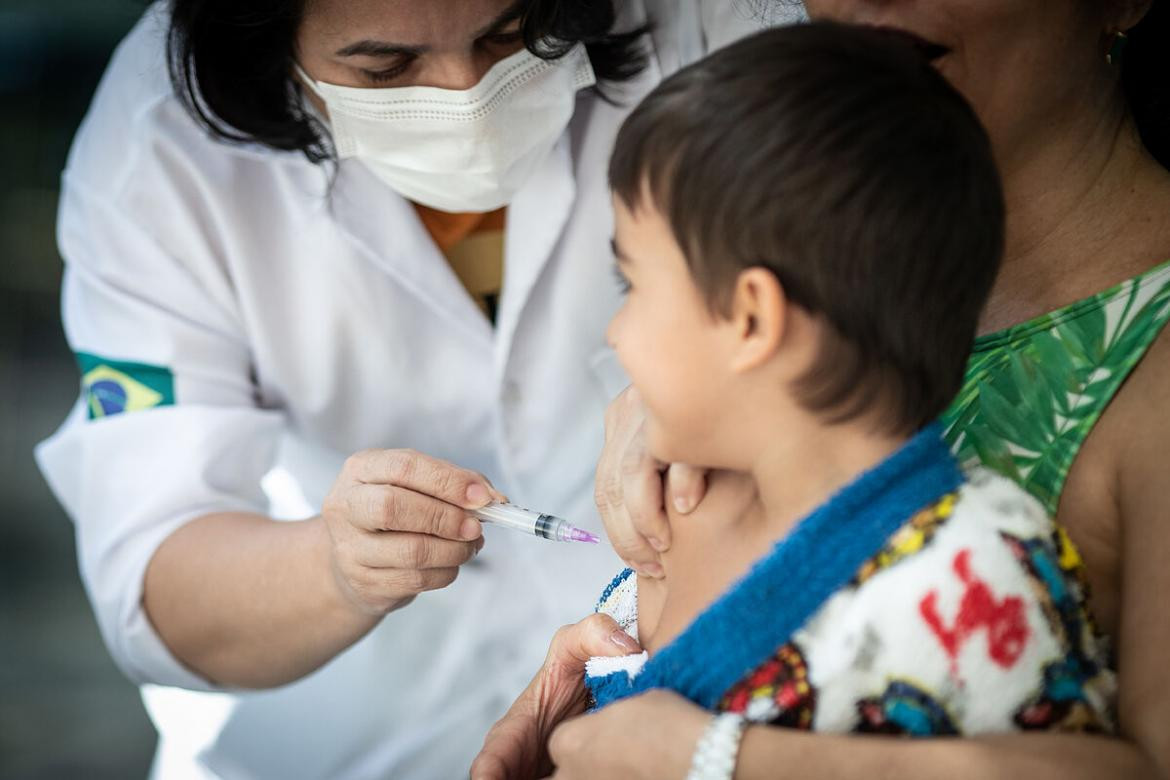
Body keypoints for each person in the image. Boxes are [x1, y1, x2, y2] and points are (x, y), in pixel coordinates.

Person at [33, 0, 791, 777]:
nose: (468, 95)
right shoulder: (156, 148)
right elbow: (156, 574)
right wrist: (336, 566)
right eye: (384, 68)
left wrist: (712, 392)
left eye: (510, 34)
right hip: (344, 741)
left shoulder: (716, 21)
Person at [478, 0, 1170, 777]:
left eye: (630, 287)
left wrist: (712, 758)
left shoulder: (976, 552)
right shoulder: (752, 392)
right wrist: (594, 695)